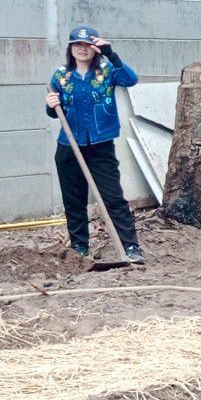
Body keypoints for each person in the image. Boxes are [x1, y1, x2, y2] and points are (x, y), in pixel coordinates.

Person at [43, 25, 144, 264]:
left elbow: (131, 79)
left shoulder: (107, 71)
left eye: (88, 45)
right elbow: (54, 112)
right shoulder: (61, 75)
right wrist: (50, 104)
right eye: (77, 45)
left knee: (113, 198)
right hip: (69, 146)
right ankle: (79, 247)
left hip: (100, 145)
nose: (82, 49)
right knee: (74, 199)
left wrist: (111, 53)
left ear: (95, 48)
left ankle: (130, 247)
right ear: (71, 48)